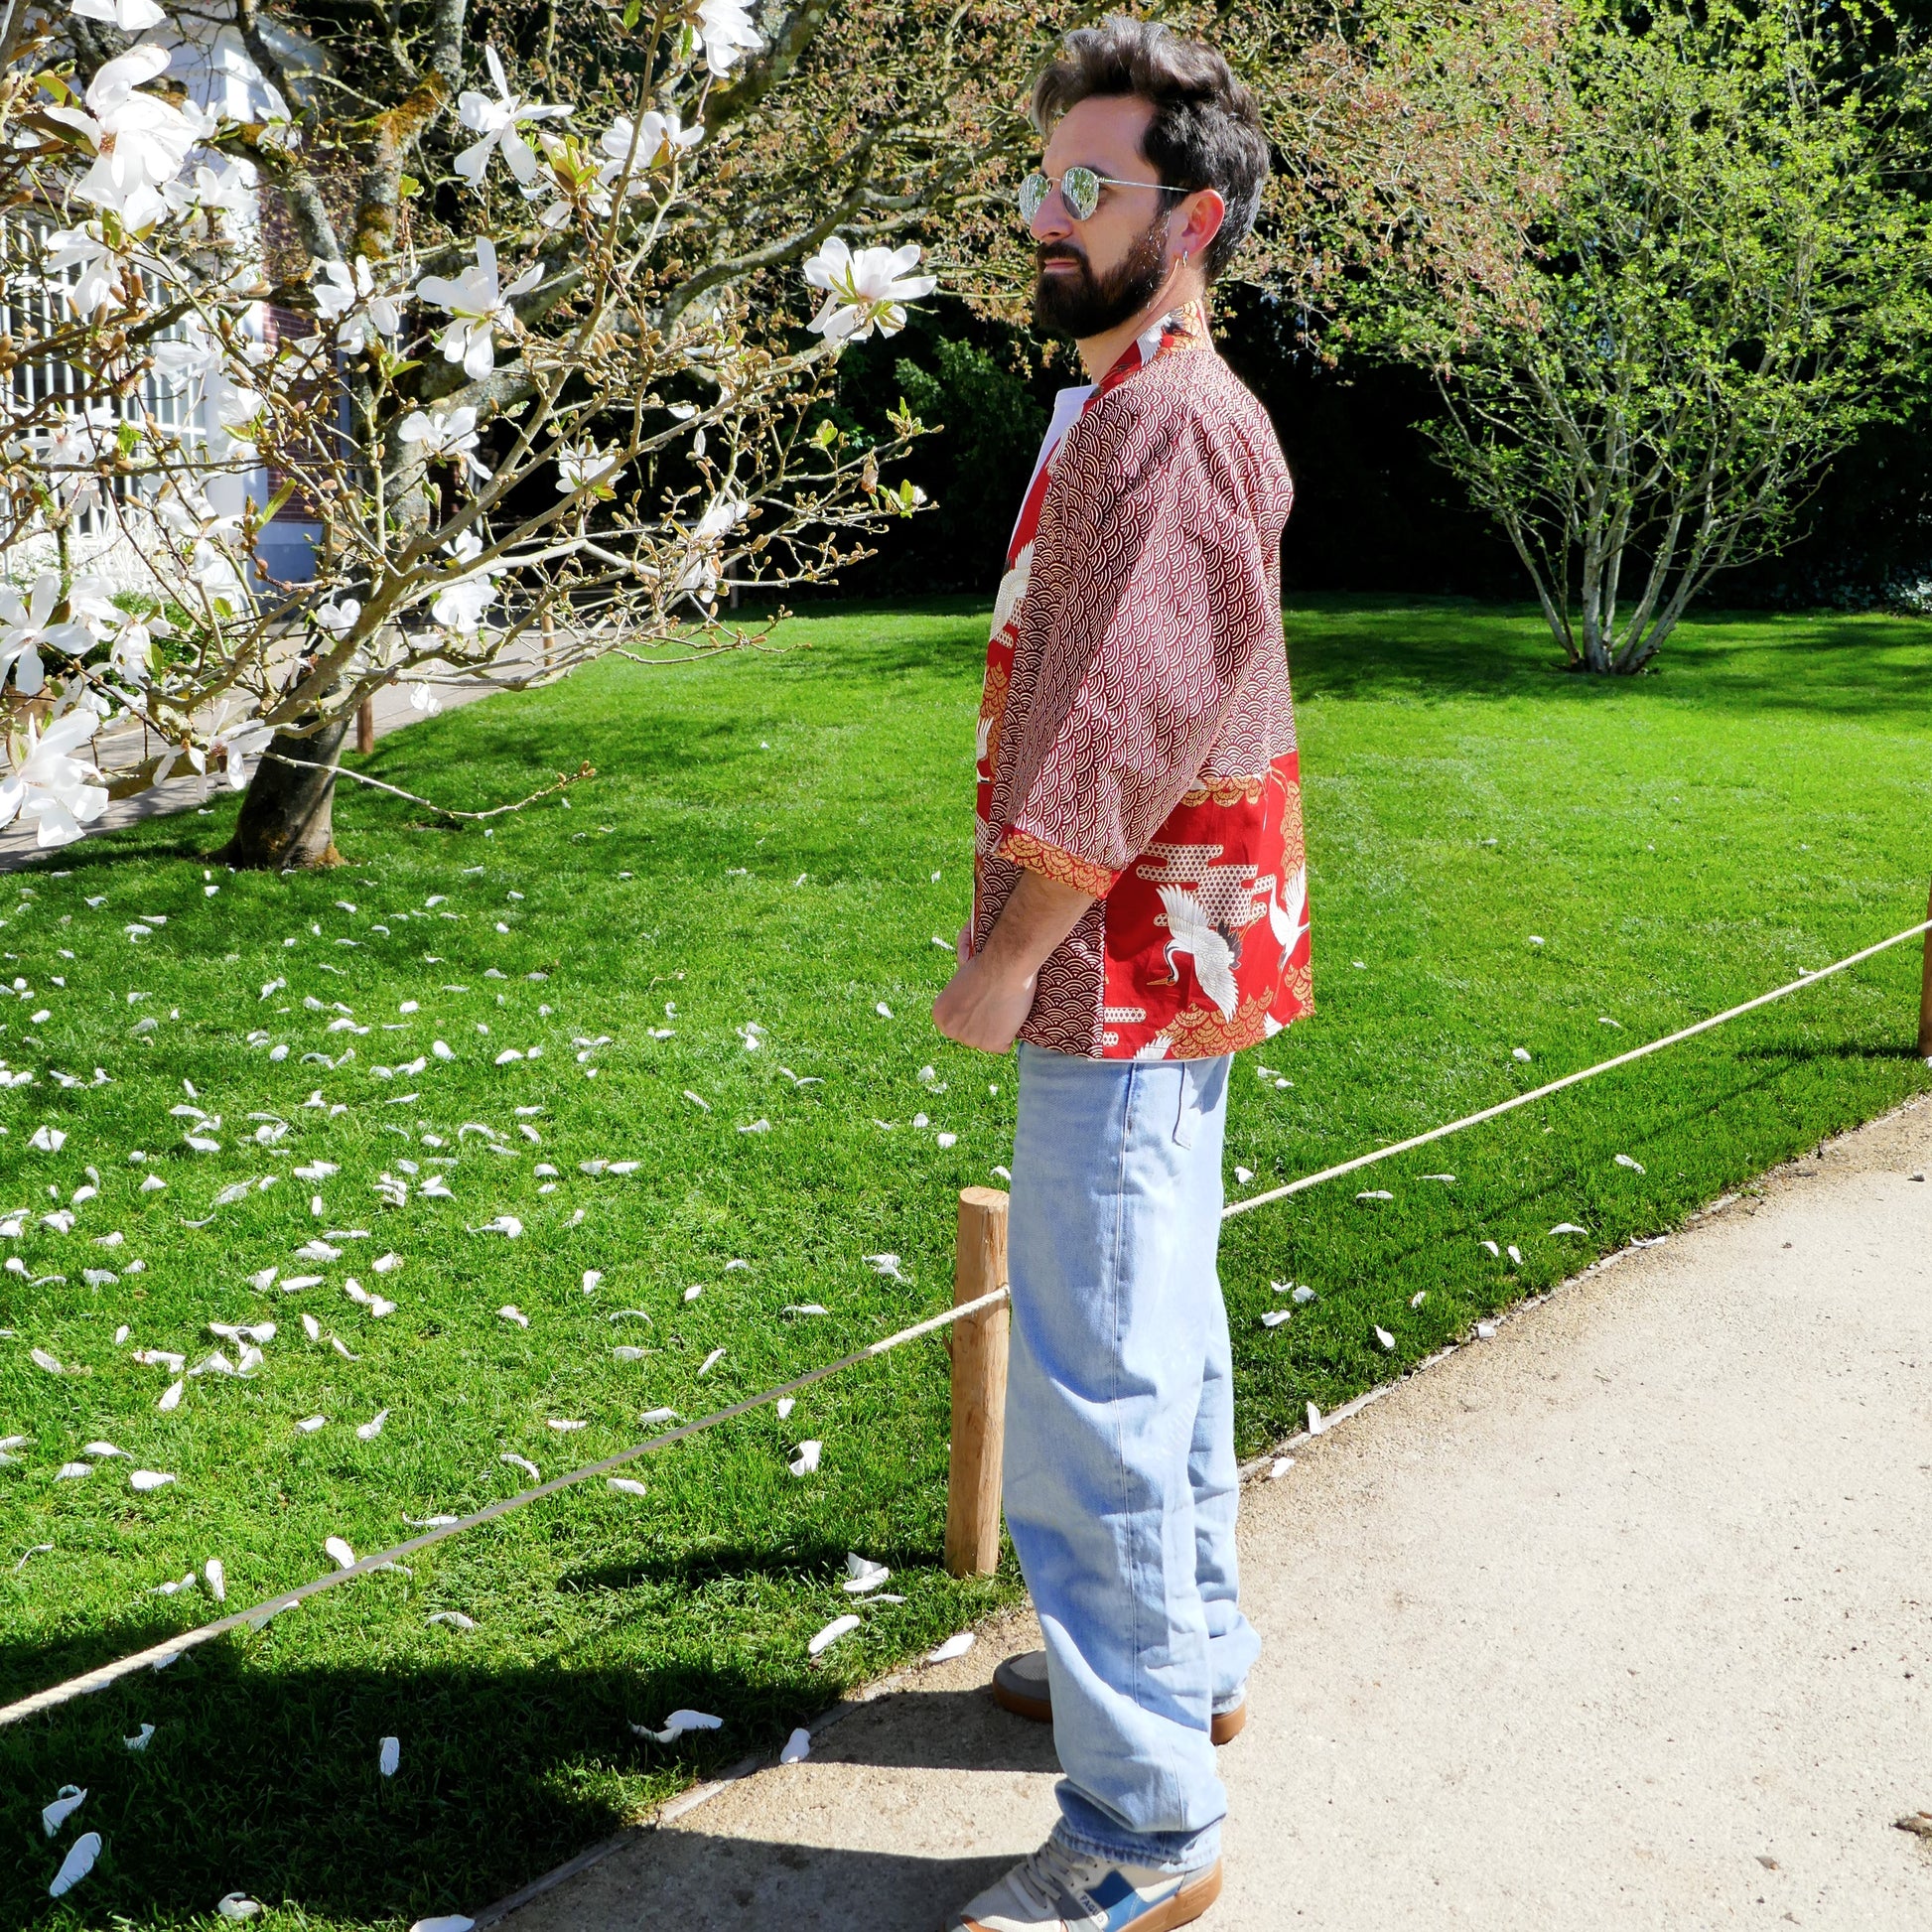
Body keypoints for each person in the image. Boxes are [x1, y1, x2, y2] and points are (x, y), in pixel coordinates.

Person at [930, 17, 1311, 1931]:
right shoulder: (1130, 396)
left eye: (1093, 187)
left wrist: (1008, 950)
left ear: (1198, 214)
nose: (1047, 215)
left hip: (1121, 964)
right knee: (1160, 1330)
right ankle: (1188, 1664)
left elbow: (1130, 718)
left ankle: (1144, 1819)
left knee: (1099, 1375)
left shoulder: (1167, 418)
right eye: (1044, 181)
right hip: (1172, 957)